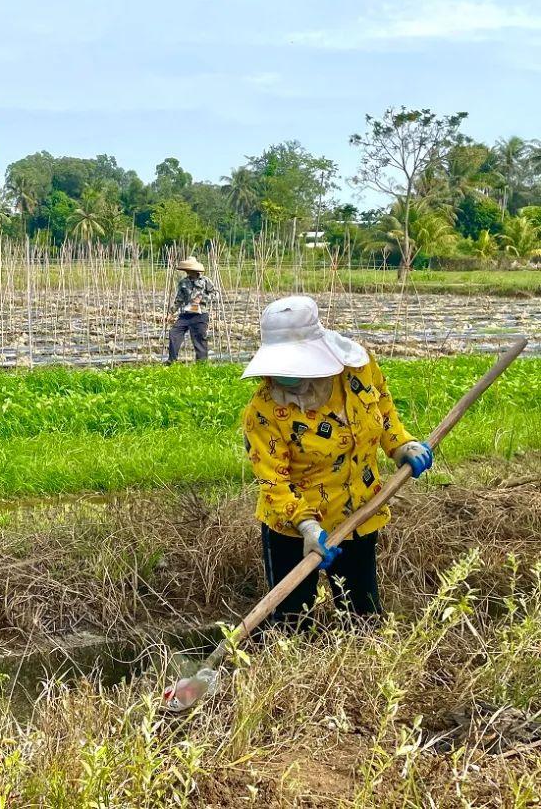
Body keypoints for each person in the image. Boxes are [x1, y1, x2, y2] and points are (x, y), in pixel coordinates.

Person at [240, 295, 432, 626]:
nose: (286, 380)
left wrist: (402, 445)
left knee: (363, 613)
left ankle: (364, 671)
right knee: (291, 620)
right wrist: (307, 527)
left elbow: (383, 411)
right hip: (294, 527)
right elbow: (273, 480)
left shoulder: (358, 371)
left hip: (360, 513)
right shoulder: (263, 412)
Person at [167, 255, 217, 363]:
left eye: (188, 269)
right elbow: (179, 299)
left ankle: (201, 365)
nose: (187, 271)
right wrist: (171, 312)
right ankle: (172, 361)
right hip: (186, 315)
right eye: (186, 269)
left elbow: (215, 294)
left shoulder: (205, 281)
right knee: (173, 333)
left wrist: (202, 298)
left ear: (194, 269)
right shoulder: (183, 282)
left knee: (199, 340)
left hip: (200, 315)